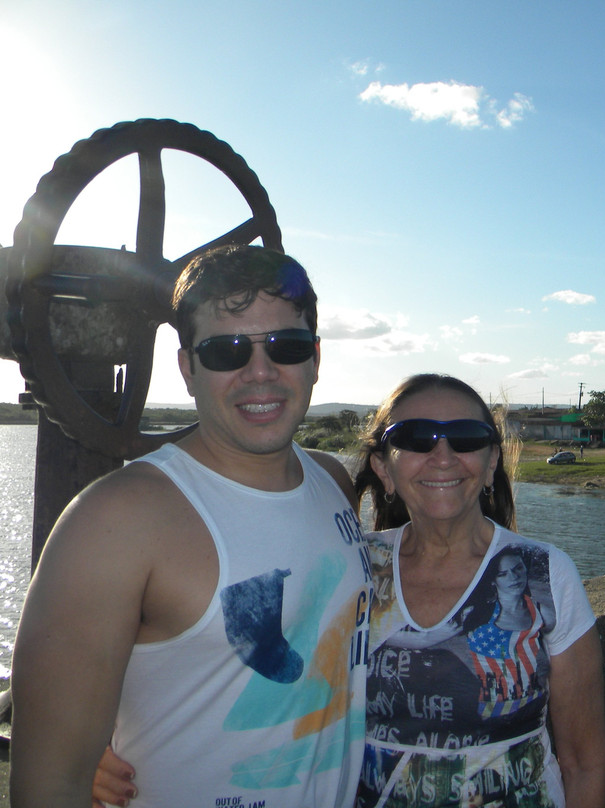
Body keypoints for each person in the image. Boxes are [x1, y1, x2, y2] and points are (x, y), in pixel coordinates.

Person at [11, 245, 373, 808]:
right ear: (188, 369)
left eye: (286, 346)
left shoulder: (333, 482)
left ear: (316, 359)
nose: (260, 372)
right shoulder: (115, 521)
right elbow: (50, 783)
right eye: (226, 351)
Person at [354, 373, 605, 808]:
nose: (443, 457)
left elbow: (584, 764)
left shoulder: (543, 574)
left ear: (491, 462)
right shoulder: (354, 567)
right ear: (383, 467)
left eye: (466, 438)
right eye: (415, 438)